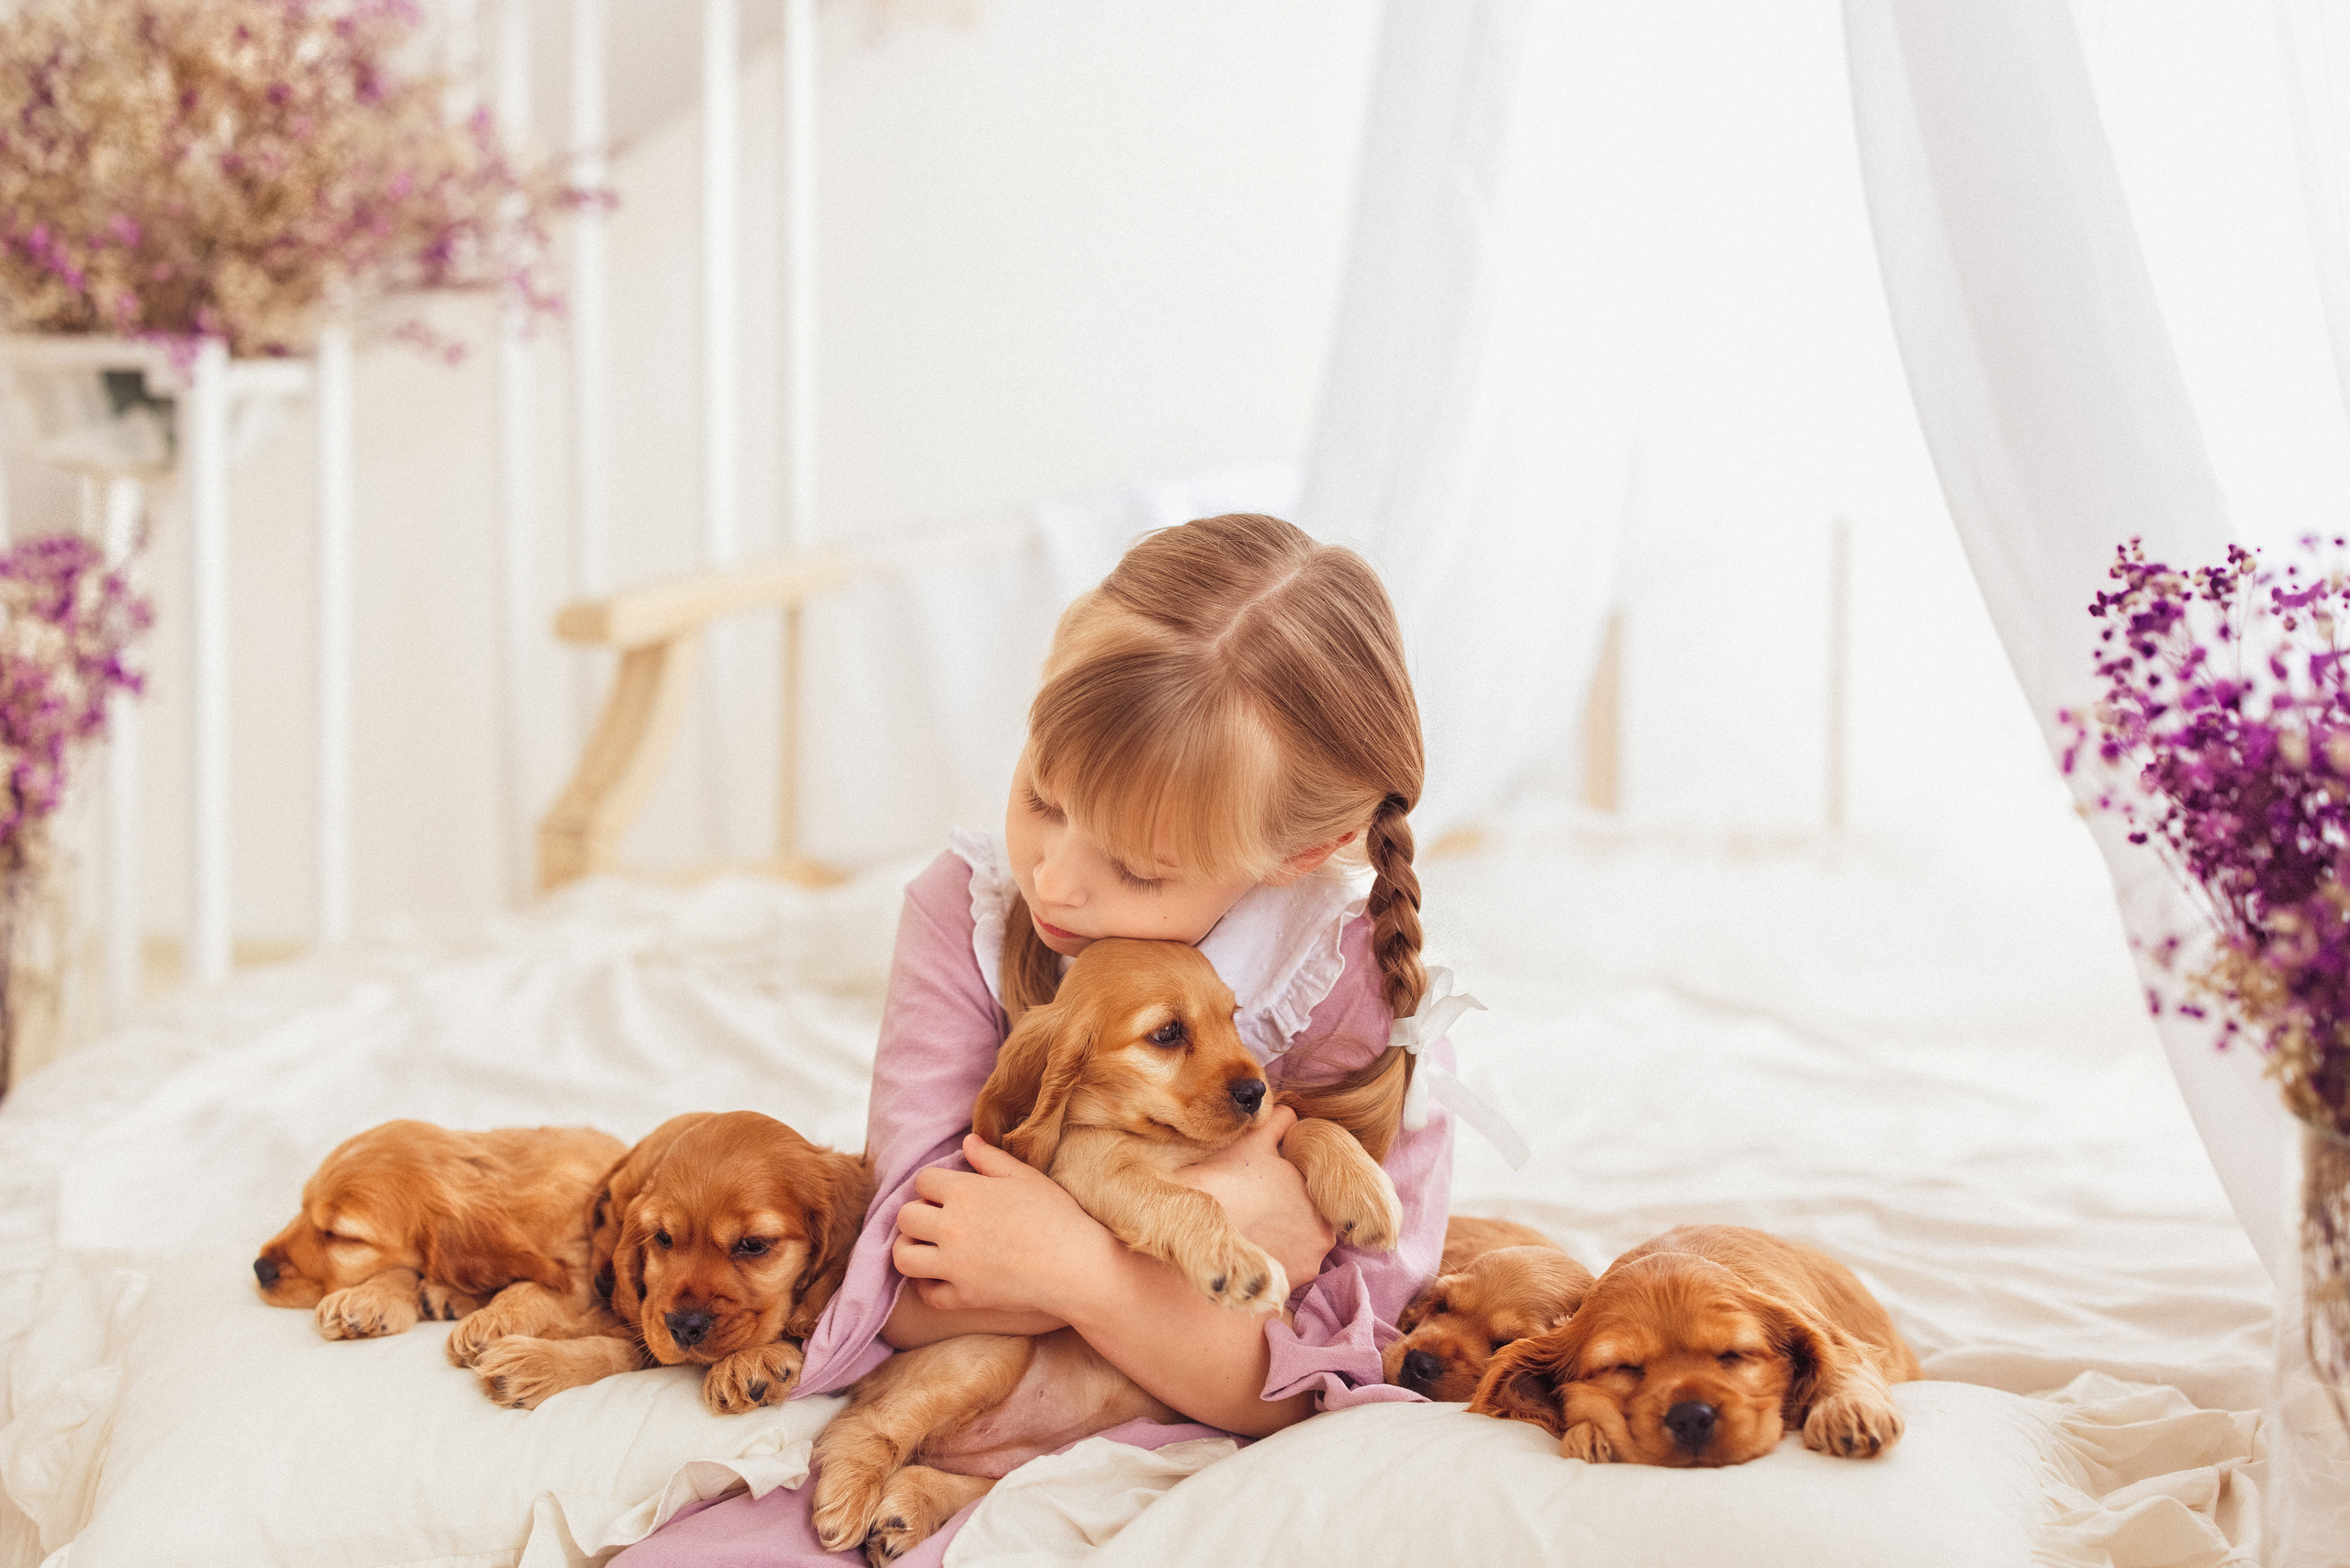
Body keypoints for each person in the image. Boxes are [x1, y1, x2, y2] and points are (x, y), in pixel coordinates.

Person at [615, 512, 1459, 1566]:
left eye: (1140, 870)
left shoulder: (1348, 983)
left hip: (1200, 1434)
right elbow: (916, 1270)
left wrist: (1083, 1279)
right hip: (964, 1391)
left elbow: (1323, 1377)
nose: (1054, 879)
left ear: (1305, 851)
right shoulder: (964, 910)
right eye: (1042, 798)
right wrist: (1206, 1219)